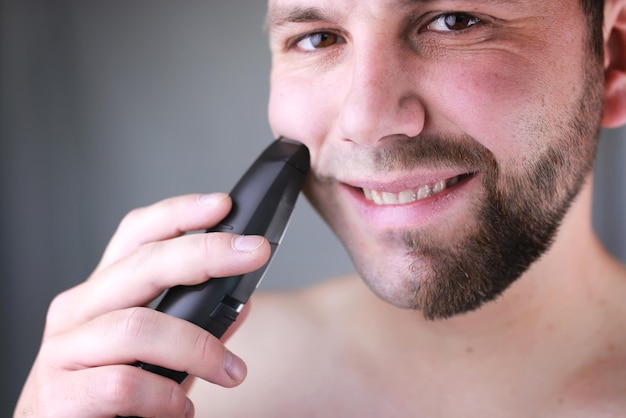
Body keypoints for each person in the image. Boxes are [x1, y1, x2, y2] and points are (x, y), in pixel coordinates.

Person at [14, 0, 626, 416]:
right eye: (318, 37)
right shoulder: (178, 389)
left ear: (614, 61)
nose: (364, 121)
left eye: (456, 21)